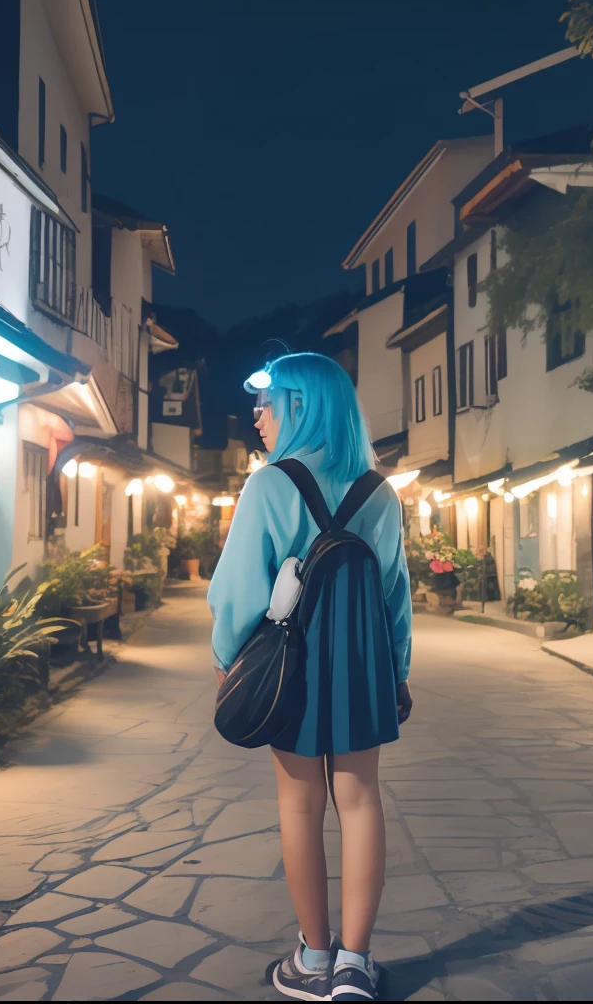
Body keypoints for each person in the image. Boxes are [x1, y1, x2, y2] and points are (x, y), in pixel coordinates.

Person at [209, 352, 414, 1002]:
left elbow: (237, 590)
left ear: (299, 407)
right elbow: (394, 596)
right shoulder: (379, 492)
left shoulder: (269, 485)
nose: (257, 417)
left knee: (300, 805)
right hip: (363, 660)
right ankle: (356, 964)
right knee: (361, 802)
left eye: (268, 404)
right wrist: (397, 671)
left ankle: (313, 957)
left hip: (293, 661)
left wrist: (227, 661)